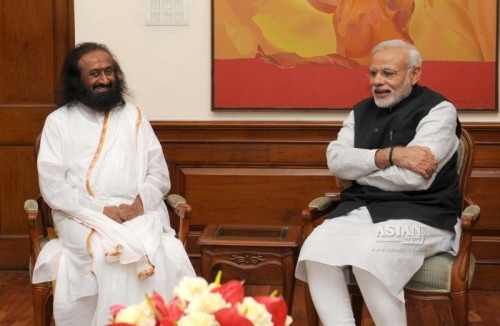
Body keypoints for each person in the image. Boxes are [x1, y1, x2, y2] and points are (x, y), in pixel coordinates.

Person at [295, 39, 462, 325]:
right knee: (315, 250)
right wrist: (391, 156)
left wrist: (357, 171)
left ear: (414, 74)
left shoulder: (439, 111)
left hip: (423, 215)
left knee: (372, 255)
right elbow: (335, 160)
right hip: (361, 210)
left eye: (388, 73)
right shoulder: (360, 111)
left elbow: (414, 179)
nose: (378, 81)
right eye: (373, 73)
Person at [32, 42, 196, 325]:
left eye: (109, 72)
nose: (105, 80)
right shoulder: (58, 123)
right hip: (81, 215)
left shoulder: (133, 116)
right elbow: (53, 186)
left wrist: (138, 204)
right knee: (106, 254)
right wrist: (100, 210)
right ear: (77, 80)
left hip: (137, 212)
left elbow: (158, 173)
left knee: (164, 250)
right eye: (95, 74)